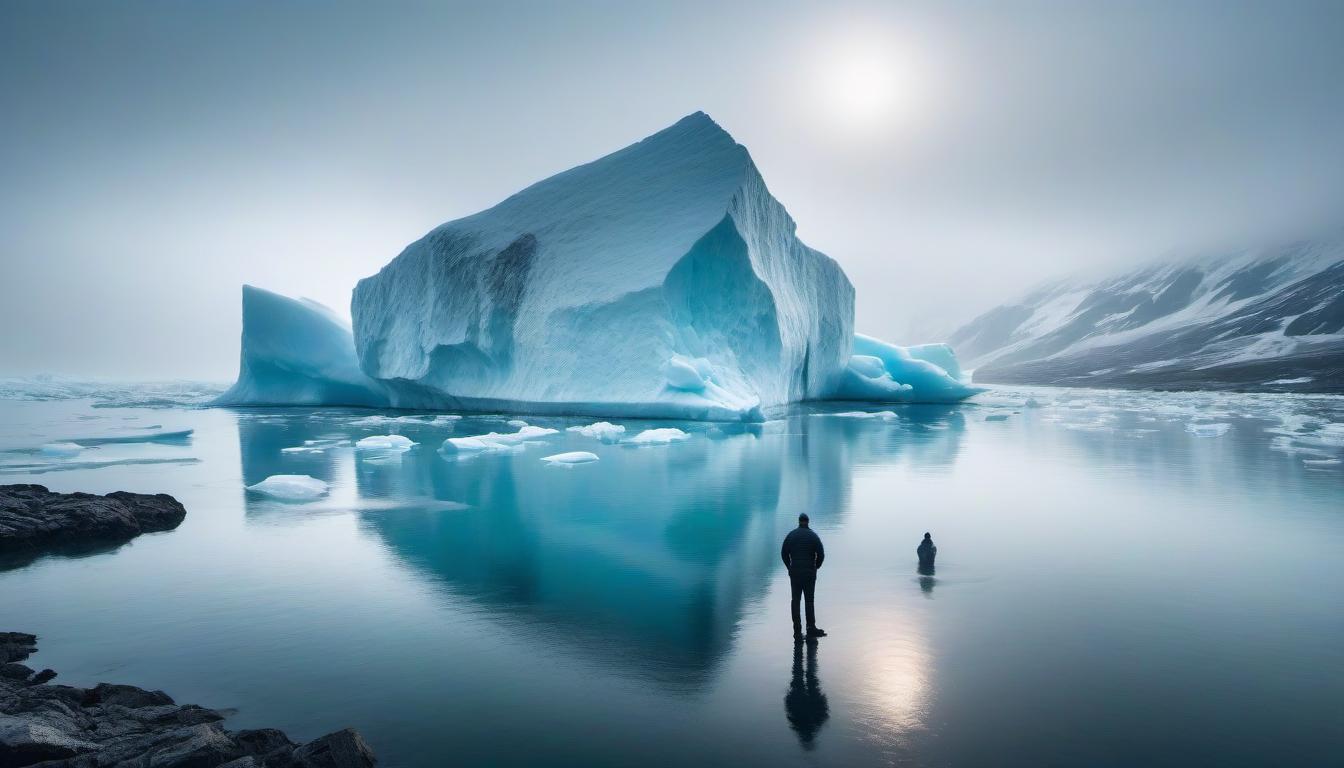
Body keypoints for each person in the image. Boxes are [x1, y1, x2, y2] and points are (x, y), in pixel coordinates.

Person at [781, 513, 826, 641]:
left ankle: (797, 630)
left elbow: (783, 553)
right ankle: (811, 628)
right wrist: (816, 566)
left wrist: (789, 567)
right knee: (809, 600)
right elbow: (821, 554)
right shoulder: (813, 536)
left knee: (795, 601)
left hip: (795, 573)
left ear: (799, 521)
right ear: (808, 522)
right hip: (809, 574)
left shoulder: (791, 536)